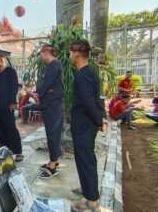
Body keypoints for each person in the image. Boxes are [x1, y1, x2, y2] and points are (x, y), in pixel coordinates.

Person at [69, 40, 105, 212]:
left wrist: (99, 120)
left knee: (86, 161)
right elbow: (98, 99)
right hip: (87, 125)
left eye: (70, 52)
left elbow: (89, 102)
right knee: (86, 160)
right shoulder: (90, 72)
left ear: (77, 54)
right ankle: (88, 192)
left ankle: (91, 201)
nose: (69, 56)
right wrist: (101, 118)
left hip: (84, 125)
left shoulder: (83, 75)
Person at [35, 44, 64, 179]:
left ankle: (53, 165)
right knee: (53, 134)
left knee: (52, 134)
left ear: (46, 52)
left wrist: (38, 93)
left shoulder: (54, 65)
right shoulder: (53, 65)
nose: (41, 56)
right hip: (52, 105)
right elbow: (50, 87)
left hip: (53, 107)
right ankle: (53, 160)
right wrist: (45, 92)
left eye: (41, 53)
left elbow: (47, 84)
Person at [0, 55, 23, 162]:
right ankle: (5, 151)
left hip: (8, 106)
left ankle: (18, 152)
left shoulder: (10, 71)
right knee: (1, 130)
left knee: (11, 129)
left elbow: (14, 86)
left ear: (0, 61)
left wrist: (13, 102)